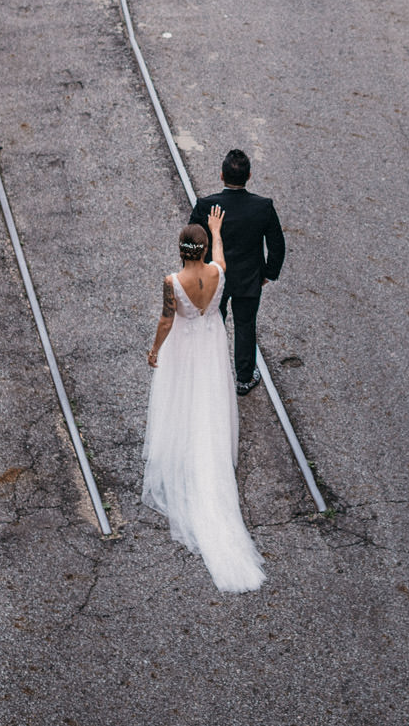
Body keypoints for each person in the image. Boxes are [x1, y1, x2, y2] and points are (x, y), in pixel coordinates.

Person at [143, 207, 266, 593]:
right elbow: (222, 259)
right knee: (210, 397)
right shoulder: (216, 273)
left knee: (182, 396)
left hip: (185, 345)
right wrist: (216, 230)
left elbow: (166, 321)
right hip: (211, 342)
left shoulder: (172, 281)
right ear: (203, 249)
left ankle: (182, 449)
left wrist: (155, 350)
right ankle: (208, 448)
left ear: (181, 251)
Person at [189, 149, 285, 395]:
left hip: (213, 278)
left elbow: (192, 241)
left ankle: (210, 373)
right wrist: (268, 273)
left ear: (221, 175)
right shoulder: (263, 207)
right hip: (248, 279)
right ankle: (244, 378)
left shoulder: (206, 205)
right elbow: (276, 245)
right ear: (249, 175)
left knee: (212, 323)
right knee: (245, 325)